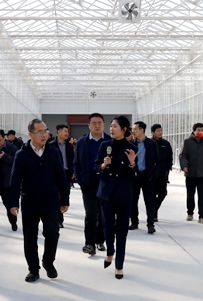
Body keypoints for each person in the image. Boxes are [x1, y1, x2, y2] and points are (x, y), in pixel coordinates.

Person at [10, 119, 70, 282]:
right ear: (30, 134)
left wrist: (65, 199)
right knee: (30, 238)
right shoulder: (21, 154)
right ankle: (33, 269)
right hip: (30, 202)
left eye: (46, 131)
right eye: (40, 132)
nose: (44, 135)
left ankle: (48, 262)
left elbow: (61, 177)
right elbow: (15, 180)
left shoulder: (53, 152)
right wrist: (13, 203)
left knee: (52, 233)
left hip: (51, 201)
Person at [95, 116, 138, 279]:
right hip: (106, 193)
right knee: (107, 226)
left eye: (115, 126)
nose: (111, 129)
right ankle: (110, 251)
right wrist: (103, 165)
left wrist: (132, 163)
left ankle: (119, 265)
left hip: (123, 194)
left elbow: (135, 175)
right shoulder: (104, 145)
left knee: (122, 230)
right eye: (111, 126)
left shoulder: (131, 148)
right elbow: (95, 167)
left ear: (124, 129)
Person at [73, 113, 110, 256]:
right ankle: (89, 244)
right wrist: (80, 179)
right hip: (88, 184)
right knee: (91, 214)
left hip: (105, 184)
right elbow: (76, 162)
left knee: (103, 214)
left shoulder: (109, 141)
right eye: (94, 123)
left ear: (104, 124)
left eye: (99, 123)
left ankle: (100, 240)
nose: (97, 126)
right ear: (89, 125)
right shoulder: (82, 142)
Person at [179, 123, 203, 224]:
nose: (200, 132)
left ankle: (202, 216)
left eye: (202, 130)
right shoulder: (187, 142)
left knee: (202, 195)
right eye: (198, 130)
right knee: (190, 194)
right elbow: (182, 155)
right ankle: (190, 213)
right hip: (190, 172)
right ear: (194, 131)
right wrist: (184, 166)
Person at [129, 121, 160, 234]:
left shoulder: (152, 144)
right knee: (133, 201)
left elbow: (157, 160)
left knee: (149, 201)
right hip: (134, 176)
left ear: (142, 130)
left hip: (147, 176)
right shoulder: (131, 144)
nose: (133, 131)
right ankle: (134, 222)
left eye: (135, 129)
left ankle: (150, 224)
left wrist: (153, 174)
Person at [0, 129, 19, 235]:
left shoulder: (12, 148)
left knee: (9, 205)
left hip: (7, 182)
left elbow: (16, 162)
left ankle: (13, 222)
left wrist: (3, 157)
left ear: (4, 138)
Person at [49, 124, 75, 228]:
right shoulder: (51, 145)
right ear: (58, 132)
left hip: (67, 174)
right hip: (55, 174)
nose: (67, 133)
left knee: (65, 194)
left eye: (67, 131)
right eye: (65, 131)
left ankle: (60, 216)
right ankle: (58, 220)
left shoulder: (69, 146)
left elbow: (72, 159)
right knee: (56, 196)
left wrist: (73, 172)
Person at [151, 124, 173, 221]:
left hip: (163, 173)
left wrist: (168, 166)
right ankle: (153, 215)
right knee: (152, 195)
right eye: (158, 131)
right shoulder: (150, 143)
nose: (160, 132)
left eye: (161, 130)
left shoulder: (166, 144)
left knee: (162, 193)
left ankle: (154, 210)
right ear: (153, 132)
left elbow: (170, 156)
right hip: (152, 174)